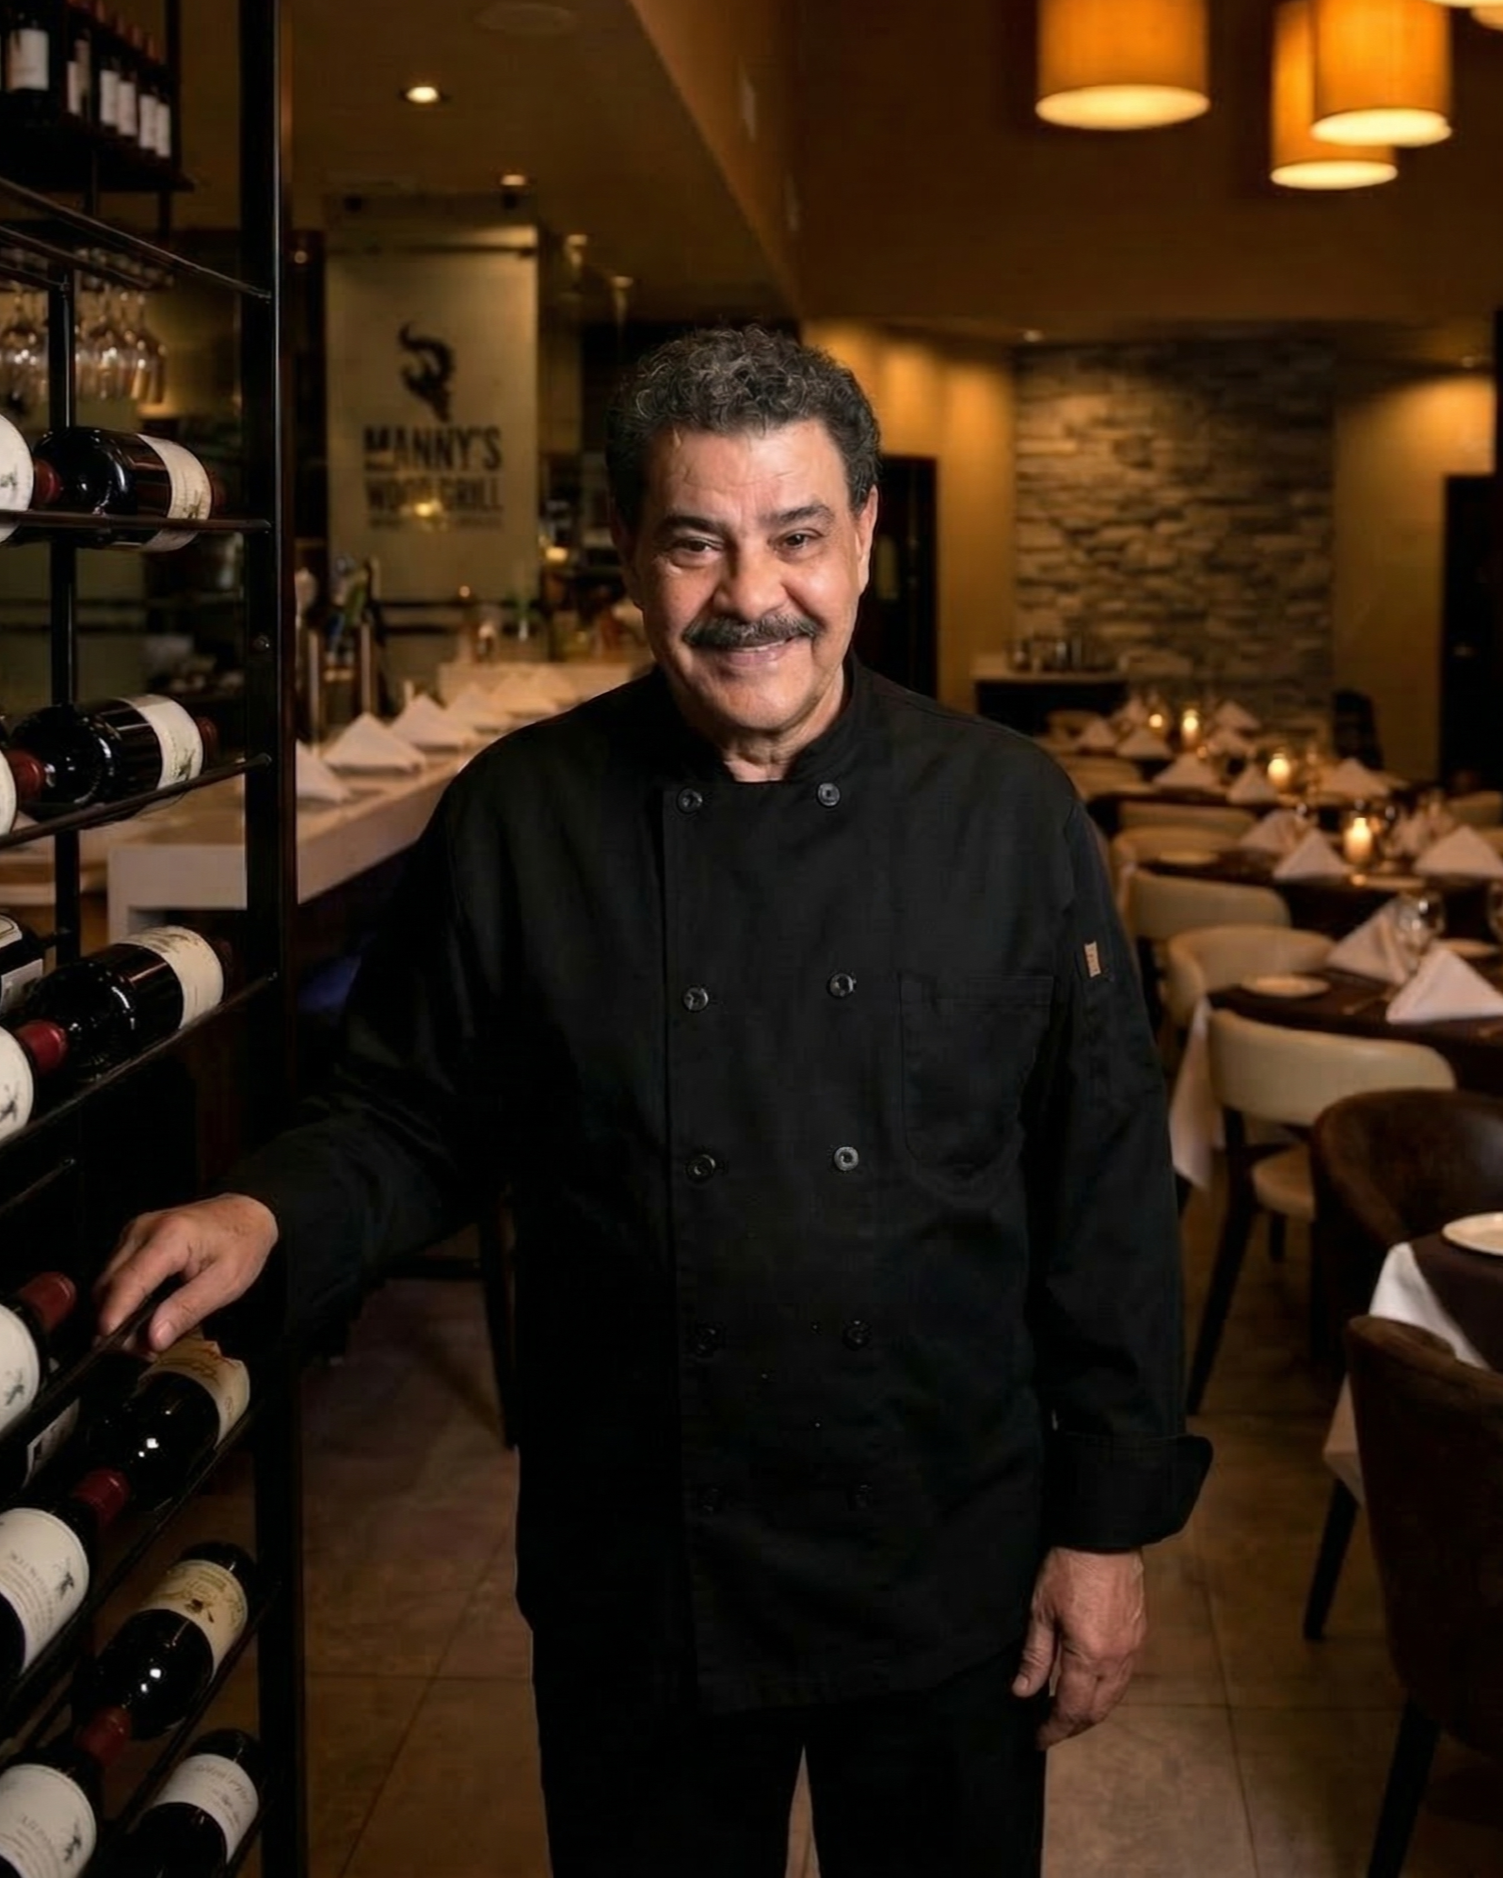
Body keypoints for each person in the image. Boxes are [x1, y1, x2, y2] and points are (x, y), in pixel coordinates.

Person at [97, 327, 1210, 1877]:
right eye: (696, 542)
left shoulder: (1007, 815)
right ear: (629, 552)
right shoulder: (521, 817)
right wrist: (258, 1204)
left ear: (867, 535)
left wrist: (1105, 1529)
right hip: (643, 1558)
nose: (752, 594)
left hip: (945, 1546)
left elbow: (1101, 1195)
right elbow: (412, 1115)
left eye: (797, 536)